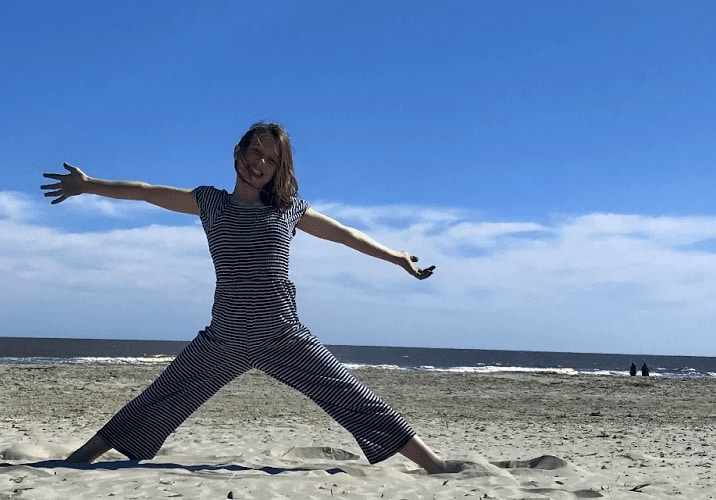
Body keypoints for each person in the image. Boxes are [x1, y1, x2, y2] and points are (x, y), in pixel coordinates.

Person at [40, 122, 447, 474]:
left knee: (350, 395)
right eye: (255, 151)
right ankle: (78, 460)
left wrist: (396, 257)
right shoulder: (211, 202)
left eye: (271, 159)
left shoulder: (288, 210)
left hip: (282, 333)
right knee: (160, 398)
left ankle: (436, 466)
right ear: (238, 151)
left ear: (278, 170)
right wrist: (89, 185)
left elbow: (344, 235)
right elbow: (148, 192)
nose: (260, 163)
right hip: (226, 335)